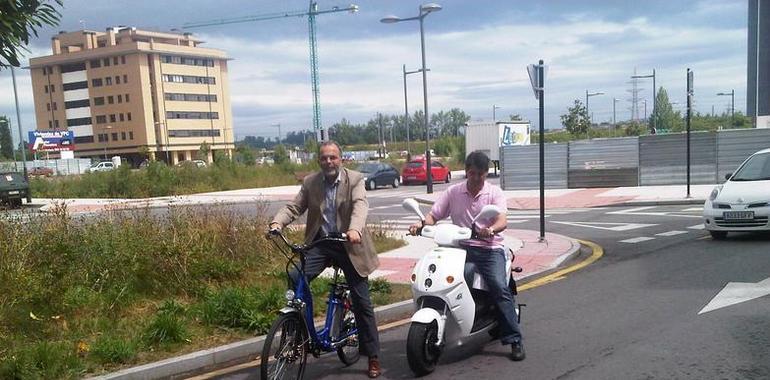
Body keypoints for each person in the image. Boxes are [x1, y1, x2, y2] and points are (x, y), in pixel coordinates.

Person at [269, 140, 382, 378]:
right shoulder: (311, 182)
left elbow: (360, 206)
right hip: (322, 244)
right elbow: (294, 207)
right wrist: (277, 222)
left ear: (341, 159)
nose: (328, 162)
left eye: (333, 157)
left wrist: (355, 230)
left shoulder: (355, 180)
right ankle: (299, 330)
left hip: (350, 244)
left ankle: (372, 355)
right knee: (295, 275)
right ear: (319, 161)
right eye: (324, 158)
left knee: (362, 302)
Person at [408, 150, 525, 361]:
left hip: (489, 248)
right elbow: (434, 214)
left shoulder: (494, 193)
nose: (476, 178)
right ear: (467, 172)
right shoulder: (454, 192)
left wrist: (491, 230)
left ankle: (514, 339)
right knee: (440, 279)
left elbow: (502, 220)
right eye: (472, 173)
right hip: (458, 246)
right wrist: (421, 223)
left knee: (499, 287)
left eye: (480, 174)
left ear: (486, 173)